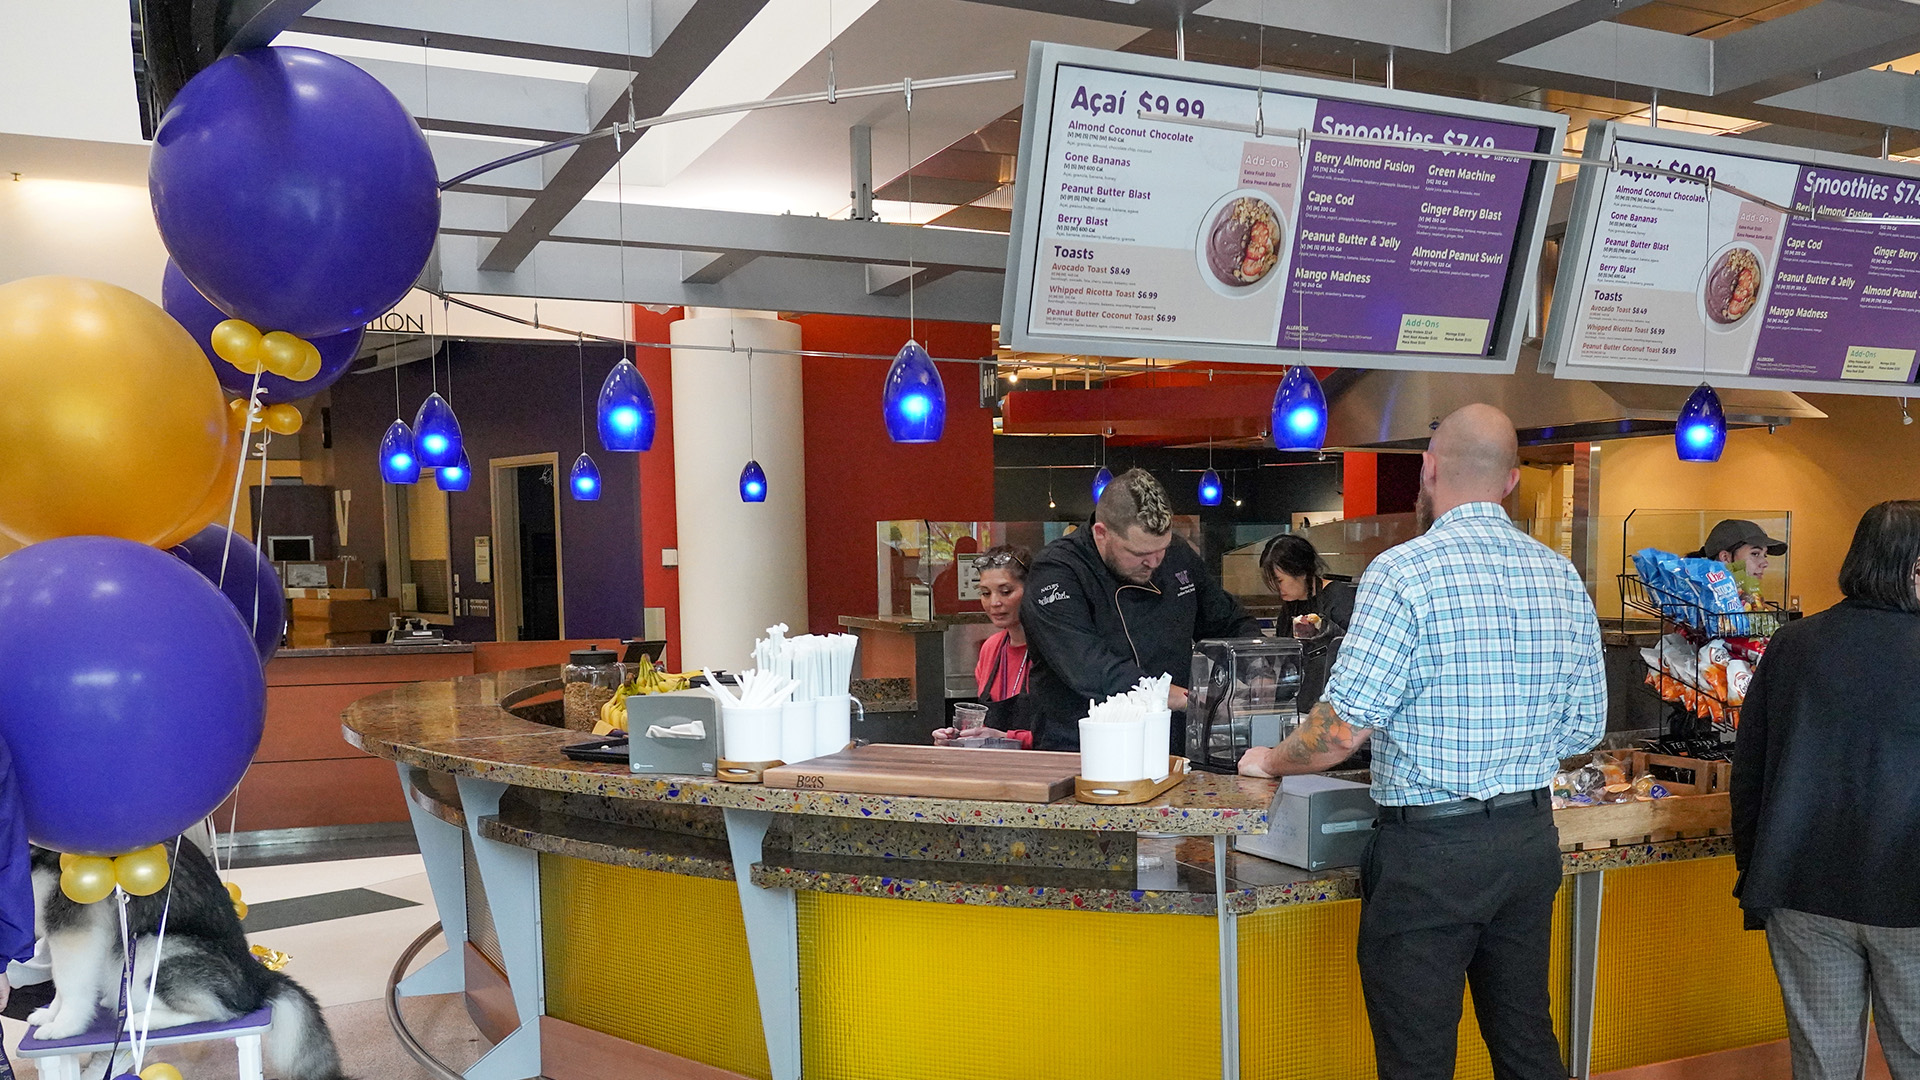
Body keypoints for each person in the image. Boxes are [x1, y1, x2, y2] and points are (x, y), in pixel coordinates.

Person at [1238, 404, 1606, 1080]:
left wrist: (1267, 758)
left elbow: (1339, 732)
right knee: (1526, 1041)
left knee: (1418, 1060)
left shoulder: (1402, 573)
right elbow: (1585, 730)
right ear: (1512, 481)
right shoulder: (1562, 577)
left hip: (1430, 855)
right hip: (1528, 842)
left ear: (1429, 469)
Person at [1731, 500, 1920, 1080]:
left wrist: (1757, 870)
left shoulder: (1792, 646)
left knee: (1823, 1067)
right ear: (1914, 566)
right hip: (1910, 895)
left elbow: (1750, 772)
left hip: (1801, 890)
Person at [1021, 468, 1258, 752]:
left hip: (1170, 744)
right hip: (1082, 747)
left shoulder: (1178, 555)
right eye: (1139, 554)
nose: (1154, 563)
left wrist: (1257, 663)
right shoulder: (1057, 571)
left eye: (1162, 549)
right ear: (1101, 533)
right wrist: (1177, 696)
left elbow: (1226, 620)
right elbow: (1088, 665)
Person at [933, 545, 1036, 748]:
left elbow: (1068, 735)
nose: (994, 603)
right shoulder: (991, 648)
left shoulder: (1052, 649)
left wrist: (1007, 738)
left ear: (1032, 589)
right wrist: (958, 739)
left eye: (1006, 591)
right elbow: (986, 730)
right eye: (985, 593)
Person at [1261, 533, 1357, 707]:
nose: (1277, 588)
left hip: (1333, 704)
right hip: (1301, 705)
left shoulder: (1339, 598)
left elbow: (1357, 652)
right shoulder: (1290, 607)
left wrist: (1325, 630)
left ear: (1301, 572)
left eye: (1280, 580)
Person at [1689, 518, 1787, 601]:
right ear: (1725, 557)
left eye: (1765, 555)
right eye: (1755, 554)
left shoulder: (1750, 599)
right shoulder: (1696, 600)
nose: (1765, 563)